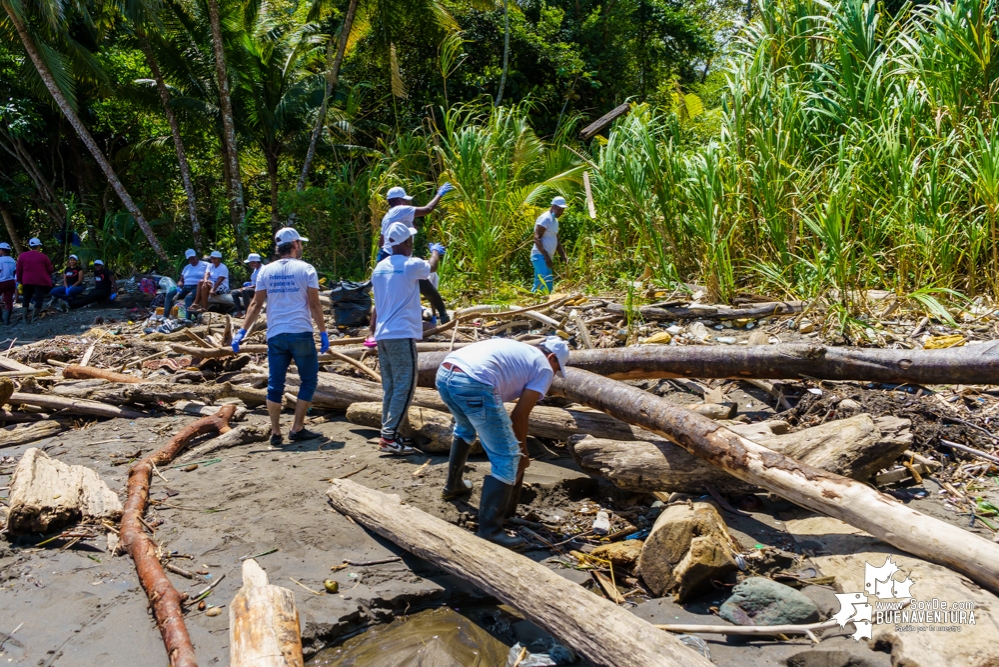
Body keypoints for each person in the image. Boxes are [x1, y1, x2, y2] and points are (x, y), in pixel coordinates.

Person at [436, 337, 569, 548]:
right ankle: (490, 530)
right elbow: (519, 416)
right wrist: (522, 454)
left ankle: (454, 485)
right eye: (557, 368)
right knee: (507, 456)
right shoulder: (543, 367)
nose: (554, 374)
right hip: (474, 383)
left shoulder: (521, 350)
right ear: (551, 357)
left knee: (465, 428)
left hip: (445, 372)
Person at [233, 228, 329, 446]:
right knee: (309, 380)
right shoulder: (306, 269)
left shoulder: (266, 271)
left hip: (276, 334)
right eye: (300, 243)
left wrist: (241, 331)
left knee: (275, 384)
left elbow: (256, 304)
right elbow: (314, 304)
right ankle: (297, 427)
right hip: (300, 332)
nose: (301, 246)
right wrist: (323, 332)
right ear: (294, 244)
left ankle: (276, 432)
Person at [370, 221, 441, 455]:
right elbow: (430, 268)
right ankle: (389, 437)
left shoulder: (379, 268)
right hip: (401, 333)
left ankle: (390, 432)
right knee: (405, 386)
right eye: (411, 239)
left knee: (391, 386)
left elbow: (377, 304)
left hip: (383, 334)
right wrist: (435, 252)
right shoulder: (411, 265)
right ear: (406, 242)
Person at [378, 184, 452, 323]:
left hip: (385, 257)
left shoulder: (387, 216)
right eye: (405, 200)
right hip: (396, 257)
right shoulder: (400, 209)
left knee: (395, 293)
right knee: (425, 284)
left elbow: (381, 243)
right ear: (399, 200)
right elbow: (428, 209)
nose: (407, 203)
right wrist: (439, 194)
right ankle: (443, 317)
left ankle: (439, 316)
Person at [531, 196, 569, 294]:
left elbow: (556, 239)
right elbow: (536, 238)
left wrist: (563, 255)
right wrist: (546, 257)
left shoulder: (555, 221)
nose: (561, 212)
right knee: (547, 282)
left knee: (539, 283)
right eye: (559, 209)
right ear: (553, 206)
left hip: (544, 256)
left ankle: (533, 302)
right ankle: (543, 303)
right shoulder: (545, 218)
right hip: (540, 256)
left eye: (562, 210)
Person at [15, 237, 54, 323]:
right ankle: (34, 317)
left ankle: (24, 318)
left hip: (27, 280)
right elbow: (50, 270)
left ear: (30, 246)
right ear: (38, 246)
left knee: (26, 298)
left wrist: (19, 281)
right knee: (38, 298)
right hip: (40, 281)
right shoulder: (43, 257)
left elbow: (19, 270)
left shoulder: (22, 256)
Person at [164, 249, 208, 318]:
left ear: (196, 257)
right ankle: (165, 316)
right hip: (185, 287)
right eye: (190, 259)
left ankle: (188, 319)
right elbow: (182, 279)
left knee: (188, 298)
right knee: (170, 294)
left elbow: (209, 275)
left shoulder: (205, 265)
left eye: (193, 258)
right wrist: (180, 283)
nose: (192, 261)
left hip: (197, 287)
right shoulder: (187, 267)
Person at [231, 252, 262, 317]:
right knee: (234, 292)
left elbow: (260, 284)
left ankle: (248, 311)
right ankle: (239, 312)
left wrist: (247, 287)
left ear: (255, 262)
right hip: (254, 288)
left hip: (260, 290)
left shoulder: (263, 270)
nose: (249, 264)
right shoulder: (255, 269)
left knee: (245, 291)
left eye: (250, 262)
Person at [0, 243, 16, 325]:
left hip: (1, 282)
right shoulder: (13, 260)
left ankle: (0, 319)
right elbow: (14, 272)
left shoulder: (0, 260)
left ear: (2, 250)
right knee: (9, 301)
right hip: (10, 282)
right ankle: (7, 320)